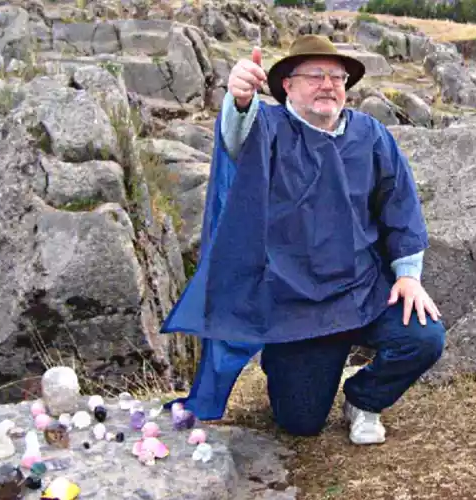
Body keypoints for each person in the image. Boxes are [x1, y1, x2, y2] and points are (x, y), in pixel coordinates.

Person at [160, 35, 446, 445]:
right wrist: (238, 99)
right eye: (315, 75)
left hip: (363, 291)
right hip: (296, 306)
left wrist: (408, 276)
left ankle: (364, 400)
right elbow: (236, 135)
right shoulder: (268, 129)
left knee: (423, 336)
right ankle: (286, 363)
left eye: (336, 77)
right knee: (300, 422)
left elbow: (399, 206)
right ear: (287, 86)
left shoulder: (371, 135)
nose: (328, 85)